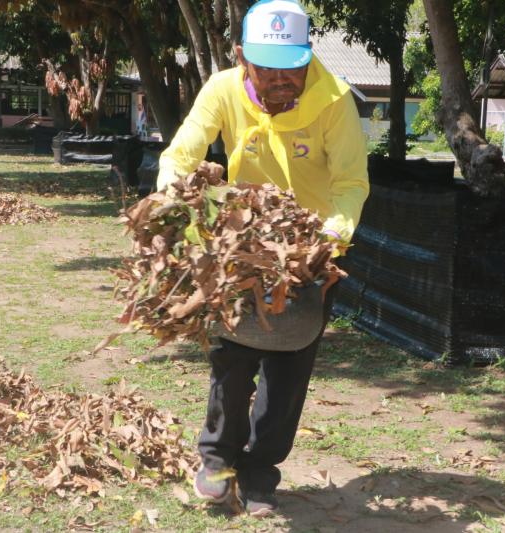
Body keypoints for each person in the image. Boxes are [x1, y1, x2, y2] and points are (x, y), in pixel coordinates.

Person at [157, 0, 369, 517]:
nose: (280, 79)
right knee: (231, 360)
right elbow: (180, 156)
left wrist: (325, 243)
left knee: (288, 370)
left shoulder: (334, 100)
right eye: (267, 66)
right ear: (241, 58)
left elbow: (349, 184)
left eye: (291, 67)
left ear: (307, 59)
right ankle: (216, 460)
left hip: (310, 254)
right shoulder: (223, 89)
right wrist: (175, 204)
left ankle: (259, 475)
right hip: (242, 249)